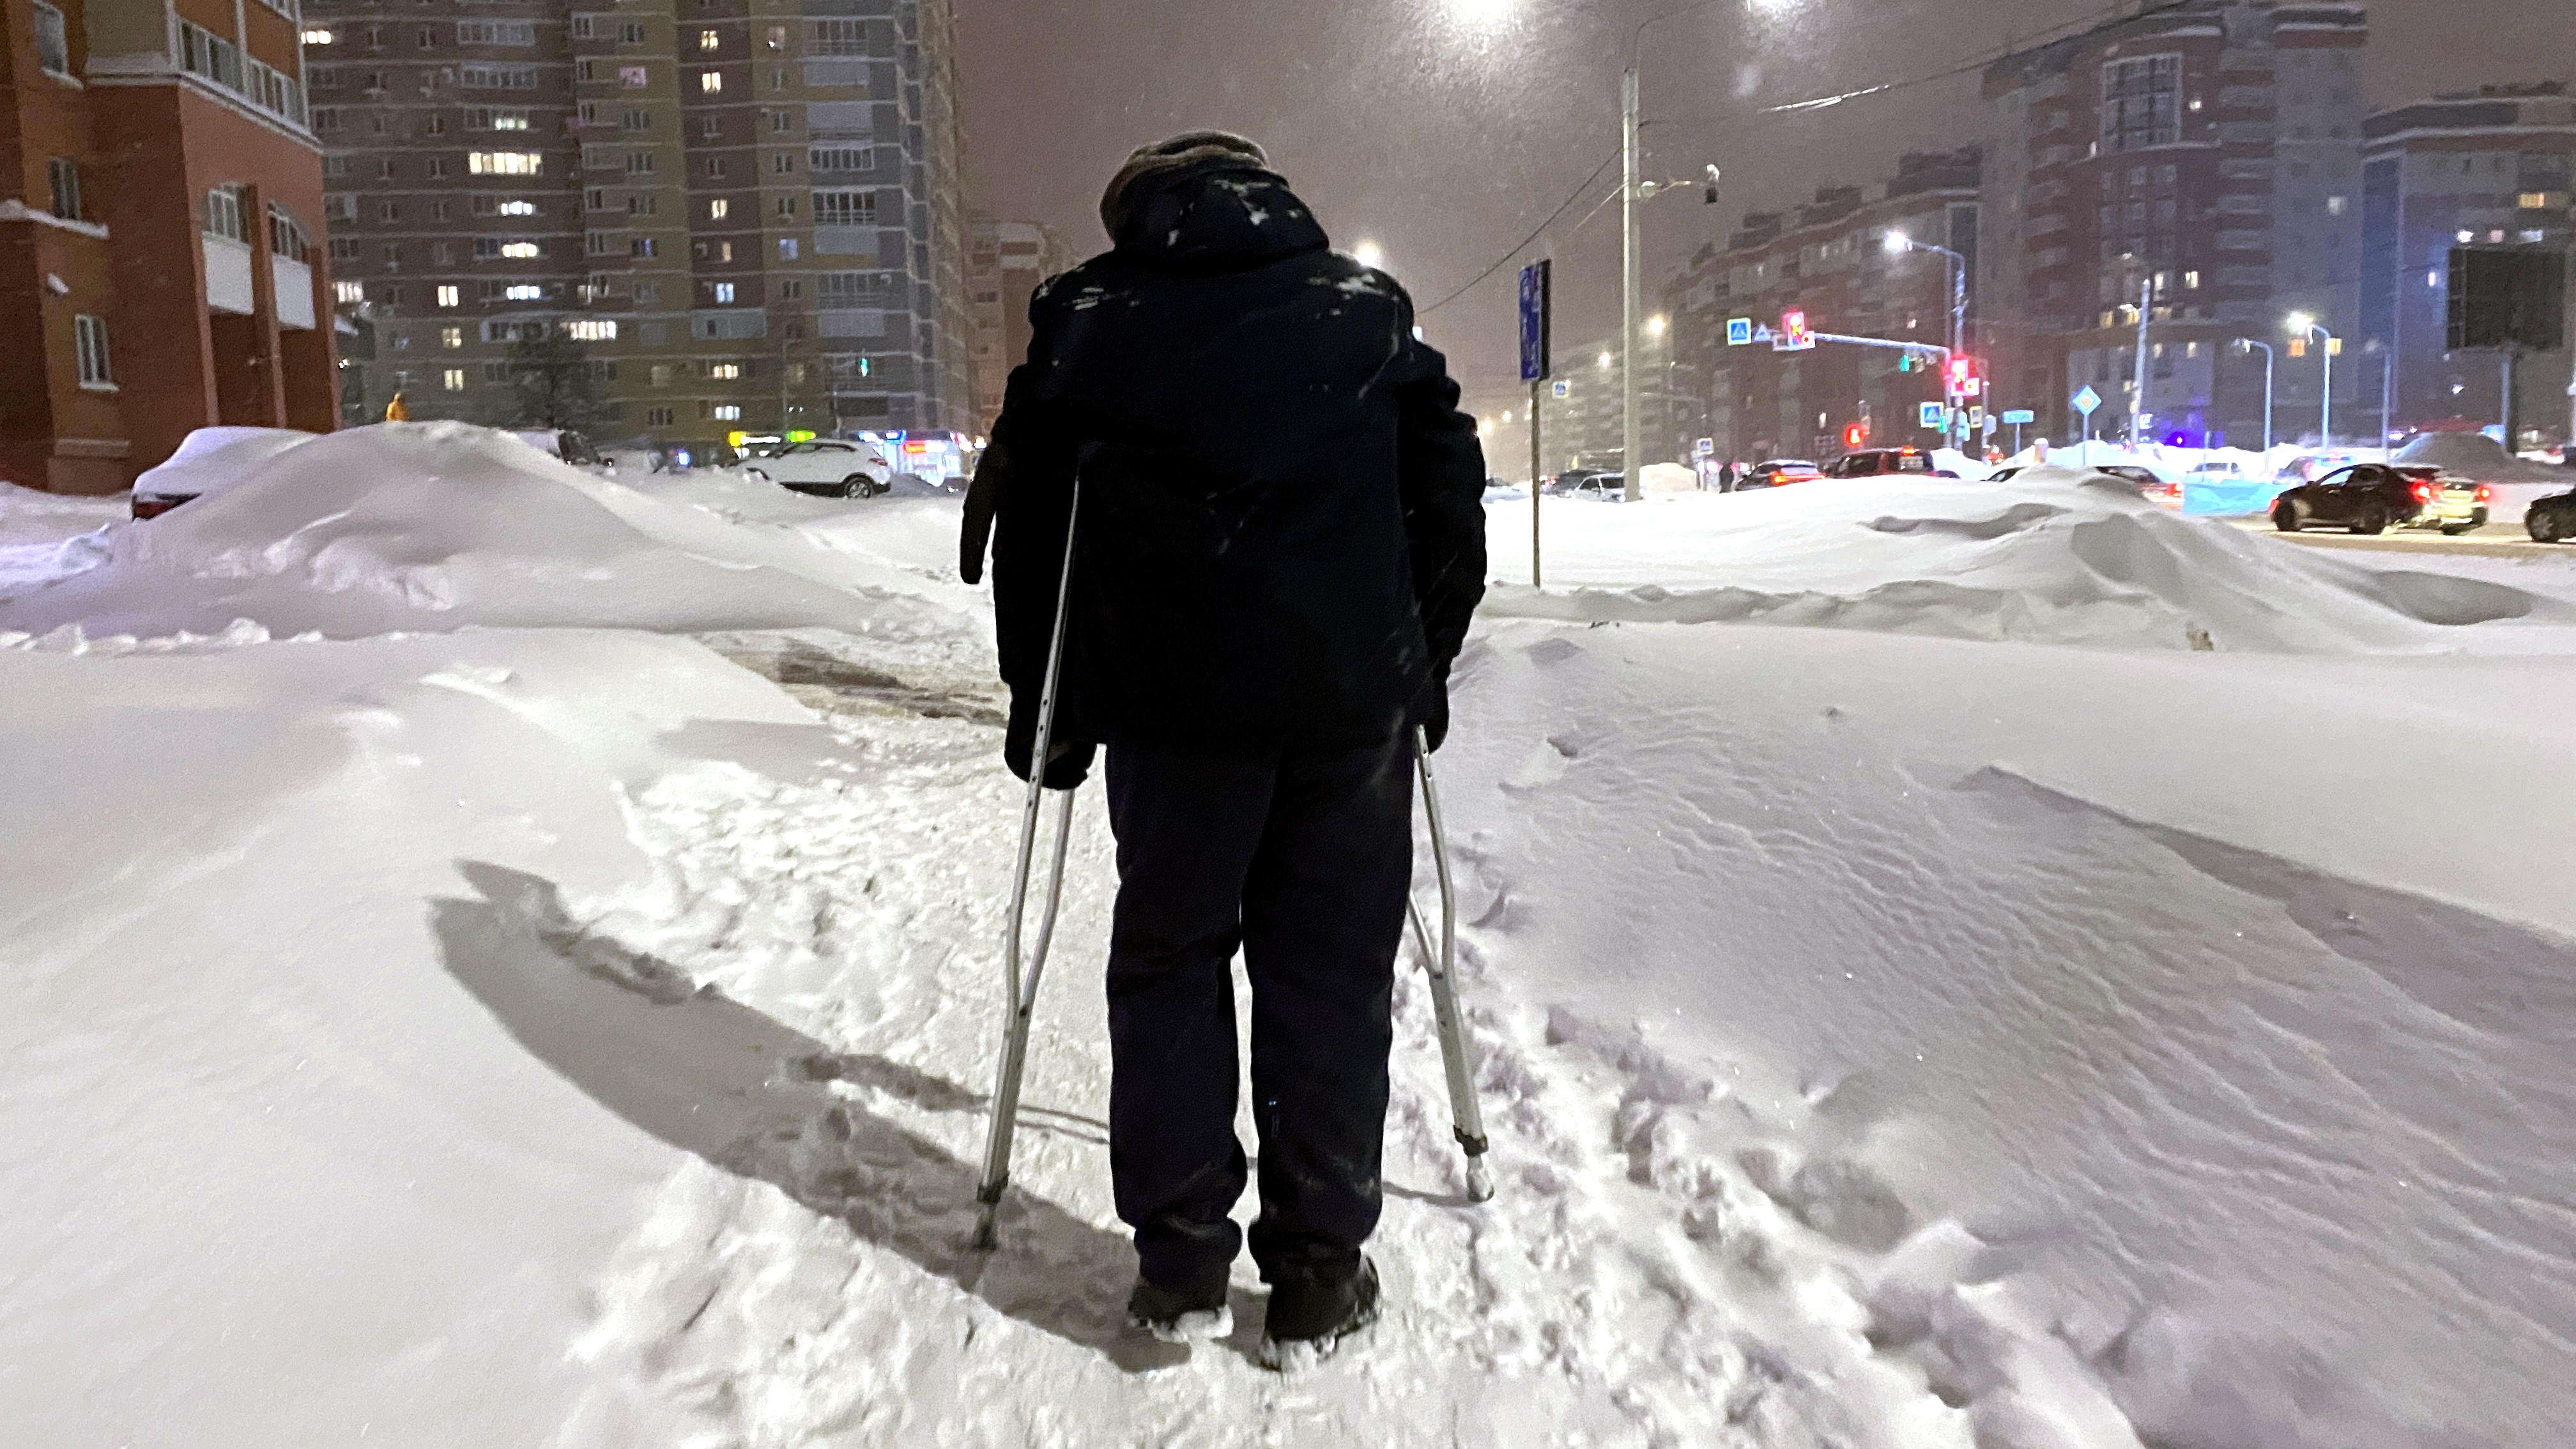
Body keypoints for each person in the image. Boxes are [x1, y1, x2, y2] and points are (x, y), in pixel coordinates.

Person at [960, 132, 1486, 1366]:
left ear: (1139, 213)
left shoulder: (1092, 315)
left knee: (1170, 965)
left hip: (1171, 715)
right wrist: (1422, 665)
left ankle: (1180, 1262)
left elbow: (1034, 526)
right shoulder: (1363, 311)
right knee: (1330, 975)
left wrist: (1047, 706)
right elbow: (1446, 490)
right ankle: (1316, 1272)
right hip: (1346, 715)